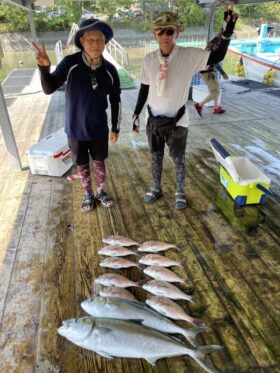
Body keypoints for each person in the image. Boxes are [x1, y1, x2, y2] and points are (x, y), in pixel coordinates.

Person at [132, 7, 238, 209]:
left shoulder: (190, 56)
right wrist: (136, 114)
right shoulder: (148, 59)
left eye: (170, 31)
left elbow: (216, 57)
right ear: (154, 34)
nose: (165, 36)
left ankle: (180, 190)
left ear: (177, 32)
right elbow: (144, 88)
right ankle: (156, 187)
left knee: (178, 159)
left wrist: (227, 32)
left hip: (178, 121)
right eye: (160, 31)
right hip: (153, 119)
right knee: (155, 158)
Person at [32, 19, 121, 212]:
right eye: (90, 39)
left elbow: (116, 100)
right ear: (81, 41)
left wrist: (115, 127)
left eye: (100, 39)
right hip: (75, 129)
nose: (95, 44)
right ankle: (88, 194)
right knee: (81, 165)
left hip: (99, 129)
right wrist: (44, 68)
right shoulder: (70, 64)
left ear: (105, 43)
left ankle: (101, 191)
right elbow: (49, 88)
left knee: (99, 163)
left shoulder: (110, 70)